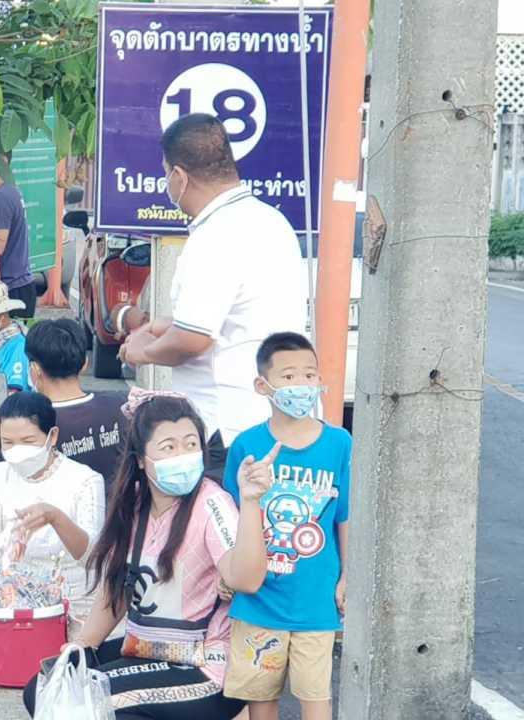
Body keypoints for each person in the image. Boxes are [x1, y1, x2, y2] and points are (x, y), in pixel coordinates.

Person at [23, 393, 272, 720]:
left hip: (204, 665)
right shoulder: (135, 503)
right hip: (142, 648)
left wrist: (251, 502)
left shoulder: (211, 503)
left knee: (84, 706)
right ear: (141, 459)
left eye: (191, 444)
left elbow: (246, 579)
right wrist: (83, 645)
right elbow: (117, 589)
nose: (182, 455)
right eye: (169, 447)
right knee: (43, 689)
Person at [117, 113, 307, 479]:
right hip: (272, 419)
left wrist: (143, 352)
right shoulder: (271, 221)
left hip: (227, 427)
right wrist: (163, 326)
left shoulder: (215, 234)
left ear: (180, 176)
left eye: (166, 174)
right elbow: (238, 318)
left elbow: (193, 339)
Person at [221, 332, 350, 720]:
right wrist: (227, 570)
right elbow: (230, 517)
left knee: (316, 698)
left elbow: (345, 516)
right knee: (260, 701)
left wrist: (347, 577)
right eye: (289, 376)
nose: (301, 385)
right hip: (258, 601)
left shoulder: (340, 444)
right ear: (263, 386)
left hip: (316, 601)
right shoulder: (246, 446)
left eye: (309, 375)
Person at [0, 392, 104, 637]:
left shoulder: (85, 480)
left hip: (71, 601)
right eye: (8, 442)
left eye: (28, 441)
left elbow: (90, 556)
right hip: (13, 596)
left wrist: (55, 517)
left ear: (52, 436)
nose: (17, 451)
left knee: (74, 639)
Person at [25, 318, 127, 485]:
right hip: (116, 502)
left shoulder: (31, 424)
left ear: (35, 370)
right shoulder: (120, 406)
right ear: (85, 363)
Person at [0, 156, 35, 318]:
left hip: (11, 289)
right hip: (22, 284)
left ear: (3, 160)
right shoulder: (12, 192)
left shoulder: (1, 199)